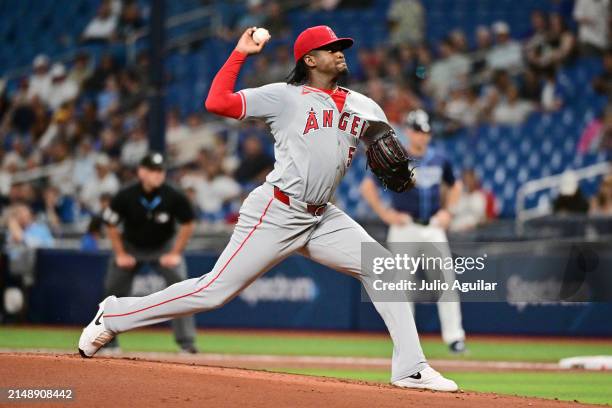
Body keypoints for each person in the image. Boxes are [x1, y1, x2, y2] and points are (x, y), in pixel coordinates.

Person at [78, 25, 458, 392]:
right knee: (212, 292)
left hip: (322, 215)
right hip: (276, 212)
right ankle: (114, 314)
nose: (340, 52)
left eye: (341, 46)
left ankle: (411, 368)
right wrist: (240, 53)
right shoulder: (284, 96)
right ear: (309, 59)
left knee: (382, 268)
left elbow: (387, 146)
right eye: (331, 48)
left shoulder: (365, 106)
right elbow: (217, 102)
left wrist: (398, 163)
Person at [360, 109, 467, 354]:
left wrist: (449, 212)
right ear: (409, 132)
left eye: (426, 132)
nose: (423, 136)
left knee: (446, 283)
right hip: (404, 226)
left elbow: (456, 185)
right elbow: (367, 186)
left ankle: (455, 338)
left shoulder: (440, 158)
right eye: (419, 131)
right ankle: (406, 341)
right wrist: (386, 214)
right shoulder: (396, 158)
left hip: (432, 226)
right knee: (401, 287)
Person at [97, 152, 198, 354]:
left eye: (161, 171)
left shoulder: (173, 195)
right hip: (131, 246)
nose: (158, 175)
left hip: (163, 246)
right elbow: (110, 224)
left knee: (182, 289)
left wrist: (176, 253)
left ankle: (186, 343)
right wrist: (120, 254)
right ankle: (107, 342)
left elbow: (188, 224)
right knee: (112, 291)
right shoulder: (126, 195)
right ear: (141, 172)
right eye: (153, 170)